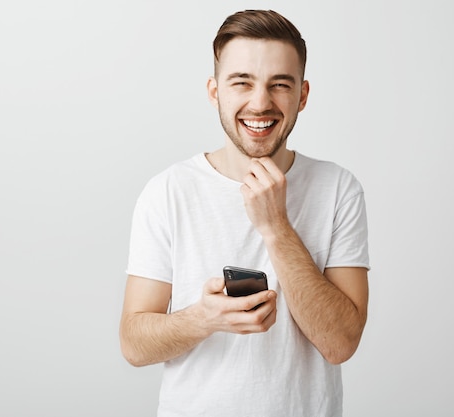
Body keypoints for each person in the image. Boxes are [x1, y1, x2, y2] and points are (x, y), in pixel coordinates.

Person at [119, 9, 369, 417]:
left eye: (279, 85)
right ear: (215, 91)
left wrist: (276, 228)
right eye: (242, 82)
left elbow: (340, 343)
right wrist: (203, 318)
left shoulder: (338, 189)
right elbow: (133, 344)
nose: (260, 103)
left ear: (302, 95)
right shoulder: (167, 192)